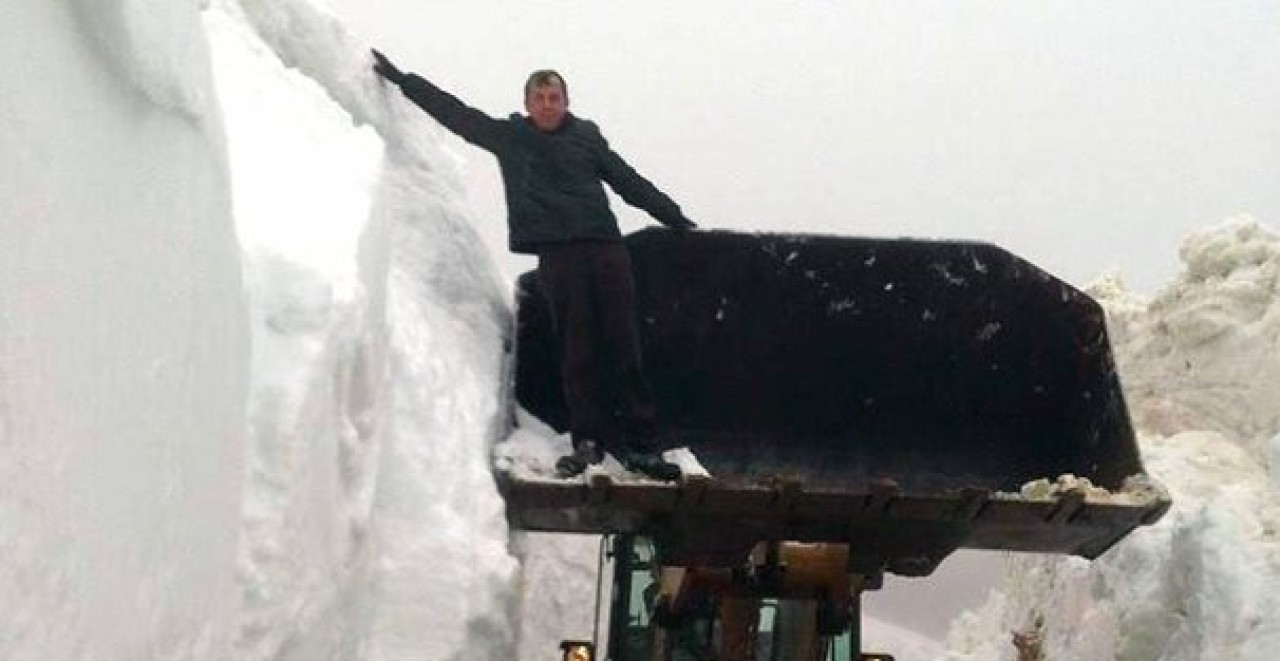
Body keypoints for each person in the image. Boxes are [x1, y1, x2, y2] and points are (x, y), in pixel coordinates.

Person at [371, 49, 694, 481]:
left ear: (566, 102)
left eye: (555, 97)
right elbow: (456, 115)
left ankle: (643, 445)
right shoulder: (511, 137)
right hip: (559, 255)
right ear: (527, 104)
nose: (547, 104)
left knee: (624, 345)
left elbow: (627, 181)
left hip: (605, 249)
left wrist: (673, 217)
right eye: (540, 97)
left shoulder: (586, 138)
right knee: (578, 348)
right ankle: (588, 440)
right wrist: (404, 80)